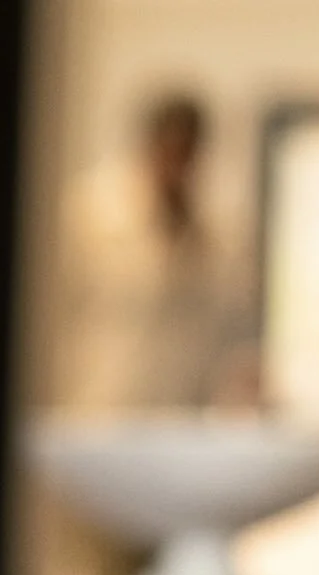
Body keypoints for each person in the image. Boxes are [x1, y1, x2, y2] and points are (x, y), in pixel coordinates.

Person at [53, 93, 255, 413]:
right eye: (169, 152)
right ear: (150, 146)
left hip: (178, 416)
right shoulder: (93, 215)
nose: (176, 167)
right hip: (99, 408)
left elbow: (225, 333)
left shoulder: (216, 235)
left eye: (186, 155)